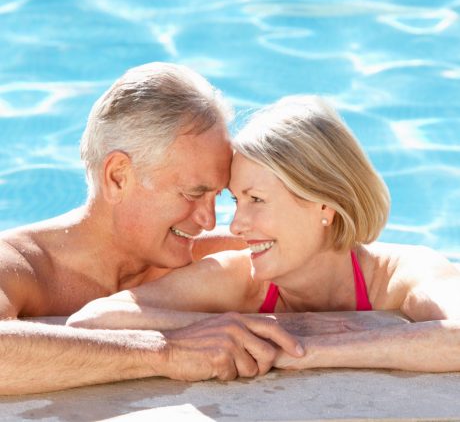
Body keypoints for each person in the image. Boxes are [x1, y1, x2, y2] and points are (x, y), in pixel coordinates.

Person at [68, 95, 460, 373]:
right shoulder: (239, 279)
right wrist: (260, 330)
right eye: (236, 201)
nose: (236, 226)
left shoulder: (401, 274)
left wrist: (306, 350)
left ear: (324, 204)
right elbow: (93, 320)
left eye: (256, 199)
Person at [0, 63, 305, 396]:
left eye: (217, 196)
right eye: (193, 193)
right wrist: (166, 353)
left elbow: (347, 259)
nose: (209, 220)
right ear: (118, 177)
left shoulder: (218, 260)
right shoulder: (20, 264)